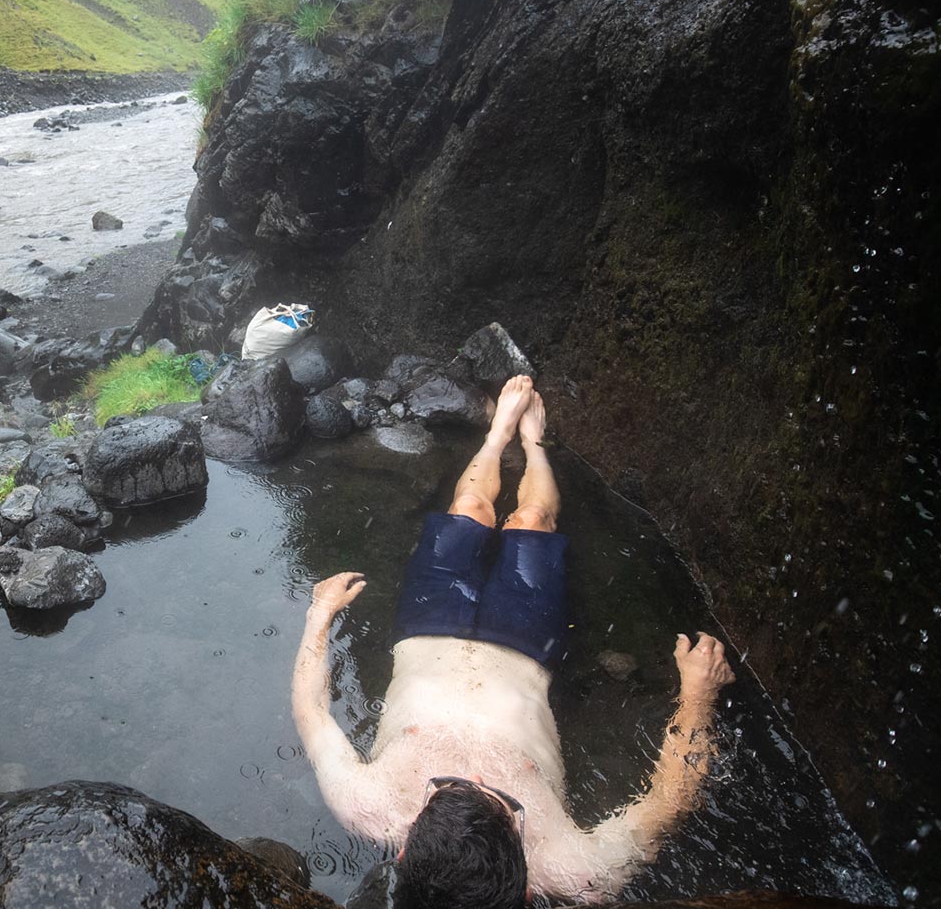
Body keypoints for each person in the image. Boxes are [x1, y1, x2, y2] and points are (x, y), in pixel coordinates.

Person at [291, 376, 737, 906]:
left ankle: (500, 436)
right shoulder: (575, 871)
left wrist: (318, 616)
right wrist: (698, 696)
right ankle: (536, 446)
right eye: (502, 799)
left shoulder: (365, 805)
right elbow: (668, 804)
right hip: (523, 647)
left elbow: (312, 714)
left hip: (427, 628)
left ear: (406, 853)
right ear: (526, 888)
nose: (476, 775)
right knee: (533, 520)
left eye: (449, 787)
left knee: (470, 510)